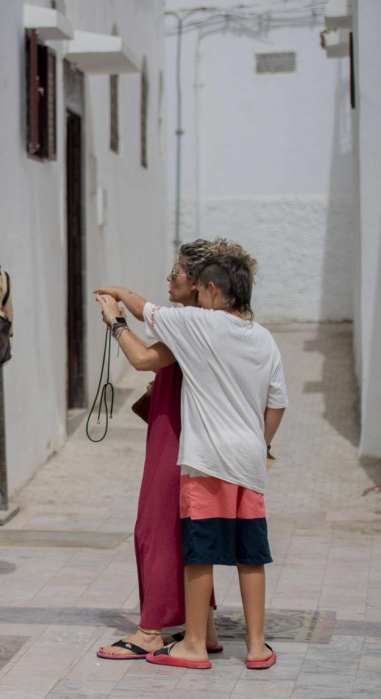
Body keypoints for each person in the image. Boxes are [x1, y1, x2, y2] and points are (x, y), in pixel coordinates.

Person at [95, 250, 286, 670]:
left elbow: (145, 325)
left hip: (206, 460)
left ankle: (192, 643)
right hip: (248, 463)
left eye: (185, 277)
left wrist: (115, 309)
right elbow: (277, 403)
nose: (175, 281)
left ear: (211, 289)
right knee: (250, 555)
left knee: (197, 550)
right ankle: (256, 647)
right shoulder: (264, 337)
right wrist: (260, 445)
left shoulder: (198, 325)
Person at [96, 240, 226, 659]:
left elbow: (142, 359)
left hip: (178, 435)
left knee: (155, 527)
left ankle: (151, 630)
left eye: (176, 274)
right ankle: (202, 627)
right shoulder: (202, 320)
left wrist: (115, 323)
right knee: (181, 527)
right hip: (187, 433)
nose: (168, 279)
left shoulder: (193, 324)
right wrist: (117, 293)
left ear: (198, 284)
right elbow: (146, 307)